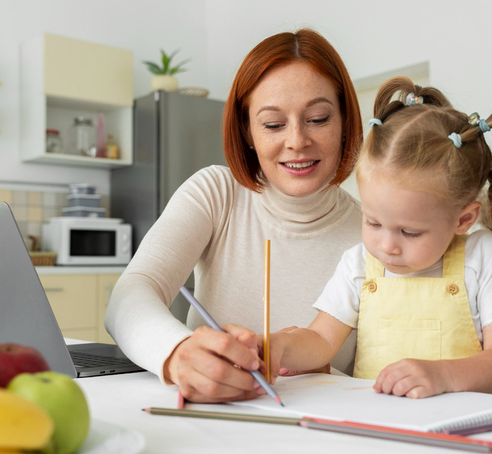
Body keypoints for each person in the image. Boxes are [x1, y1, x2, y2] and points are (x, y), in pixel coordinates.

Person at [104, 28, 363, 403]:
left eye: (319, 118)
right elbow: (128, 296)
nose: (296, 141)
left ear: (344, 123)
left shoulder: (376, 235)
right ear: (247, 132)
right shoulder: (216, 193)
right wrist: (177, 354)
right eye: (273, 124)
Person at [263, 76, 492, 399]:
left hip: (461, 434)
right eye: (373, 222)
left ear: (463, 220)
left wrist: (444, 375)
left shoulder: (488, 257)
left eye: (409, 232)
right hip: (377, 430)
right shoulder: (358, 264)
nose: (387, 246)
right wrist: (280, 346)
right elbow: (322, 342)